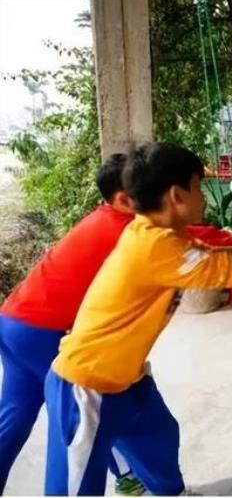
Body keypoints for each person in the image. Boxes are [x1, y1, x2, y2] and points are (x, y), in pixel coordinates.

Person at [42, 143, 232, 495]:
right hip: (86, 386)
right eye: (198, 187)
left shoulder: (156, 232)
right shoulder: (154, 246)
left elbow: (207, 254)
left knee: (158, 439)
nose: (204, 197)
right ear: (176, 195)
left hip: (127, 381)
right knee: (72, 488)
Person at [0, 154, 145, 495]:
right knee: (87, 408)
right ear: (123, 198)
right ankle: (130, 476)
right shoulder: (128, 230)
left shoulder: (101, 217)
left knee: (14, 418)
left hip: (12, 321)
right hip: (40, 328)